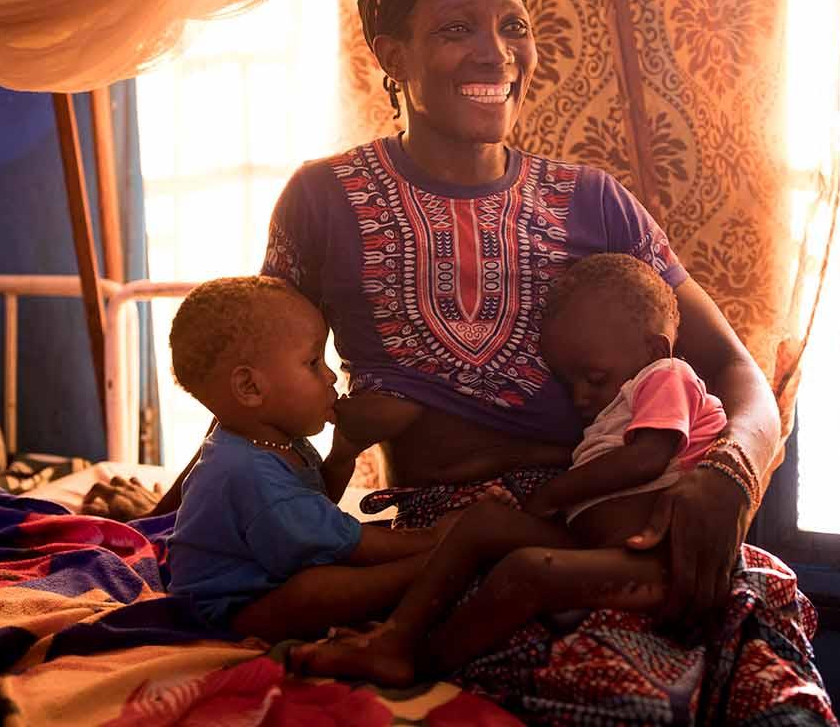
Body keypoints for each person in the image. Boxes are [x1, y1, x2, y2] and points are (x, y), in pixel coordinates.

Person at [85, 0, 782, 631]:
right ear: (394, 55)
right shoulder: (322, 201)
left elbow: (737, 374)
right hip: (434, 547)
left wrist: (730, 474)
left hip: (597, 512)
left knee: (754, 657)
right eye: (457, 29)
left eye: (514, 26)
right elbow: (249, 380)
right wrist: (167, 521)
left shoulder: (597, 203)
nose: (496, 54)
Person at [291, 252, 749, 685]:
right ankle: (395, 636)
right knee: (485, 523)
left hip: (657, 564)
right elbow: (580, 457)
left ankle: (428, 661)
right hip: (597, 542)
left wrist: (552, 495)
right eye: (569, 384)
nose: (581, 398)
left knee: (527, 570)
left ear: (653, 350)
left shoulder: (667, 375)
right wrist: (496, 462)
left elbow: (647, 457)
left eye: (592, 378)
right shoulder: (619, 406)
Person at [164, 274, 476, 641]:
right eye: (313, 362)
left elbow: (311, 514)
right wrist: (430, 538)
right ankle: (439, 565)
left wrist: (342, 457)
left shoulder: (273, 440)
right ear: (250, 387)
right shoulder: (247, 472)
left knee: (362, 548)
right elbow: (341, 541)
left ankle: (434, 562)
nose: (330, 376)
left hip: (269, 573)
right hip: (231, 611)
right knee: (315, 589)